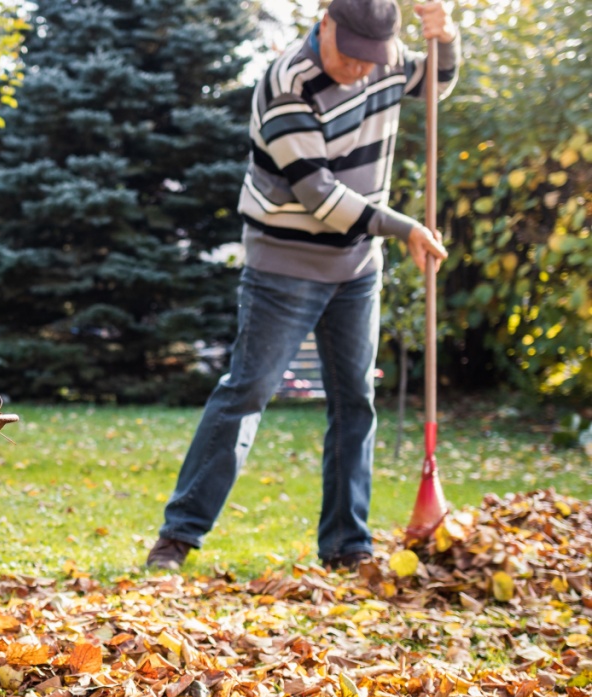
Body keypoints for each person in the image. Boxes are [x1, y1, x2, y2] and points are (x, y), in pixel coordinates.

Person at [145, 0, 458, 572]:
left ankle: (347, 546)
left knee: (355, 401)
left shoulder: (382, 59)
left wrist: (447, 38)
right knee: (247, 394)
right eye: (353, 56)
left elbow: (434, 82)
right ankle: (178, 537)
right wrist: (405, 227)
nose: (362, 69)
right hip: (284, 266)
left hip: (358, 268)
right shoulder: (286, 82)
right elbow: (319, 195)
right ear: (325, 23)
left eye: (373, 59)